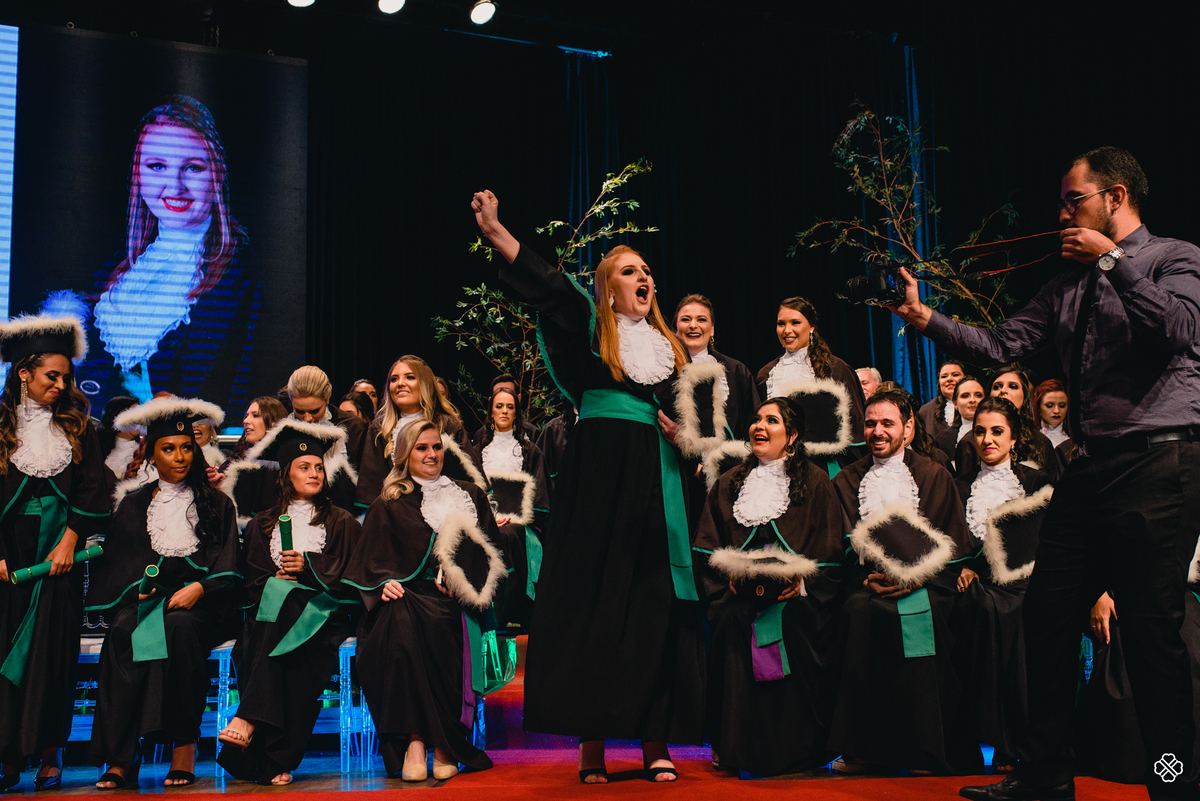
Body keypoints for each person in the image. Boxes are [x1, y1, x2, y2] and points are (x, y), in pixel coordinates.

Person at [889, 146, 1200, 801]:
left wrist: (1112, 262)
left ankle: (1174, 781)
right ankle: (1046, 772)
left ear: (1115, 197)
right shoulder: (1066, 285)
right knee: (1047, 611)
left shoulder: (1173, 256)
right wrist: (926, 319)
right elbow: (1001, 346)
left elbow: (1179, 328)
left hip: (1161, 459)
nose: (1062, 212)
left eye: (1074, 199)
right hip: (1094, 467)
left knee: (1152, 633)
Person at [473, 189, 703, 783]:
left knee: (654, 604)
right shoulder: (589, 325)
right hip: (599, 481)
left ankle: (656, 743)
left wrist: (685, 435)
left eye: (647, 270)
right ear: (608, 287)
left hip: (656, 483)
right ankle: (593, 746)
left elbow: (698, 422)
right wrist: (499, 233)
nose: (643, 277)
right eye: (630, 271)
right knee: (595, 606)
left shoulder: (668, 350)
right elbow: (550, 286)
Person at [85, 397, 240, 789]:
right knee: (122, 631)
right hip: (149, 603)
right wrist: (133, 594)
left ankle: (183, 747)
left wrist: (199, 588)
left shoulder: (218, 503)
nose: (180, 456)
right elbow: (120, 562)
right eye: (169, 449)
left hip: (201, 605)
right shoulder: (135, 505)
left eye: (187, 447)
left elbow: (227, 563)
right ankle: (121, 757)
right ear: (152, 454)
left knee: (181, 631)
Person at [693, 398, 846, 776]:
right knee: (730, 620)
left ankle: (792, 749)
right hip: (738, 595)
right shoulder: (730, 483)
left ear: (791, 436)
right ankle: (734, 747)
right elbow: (709, 547)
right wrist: (726, 579)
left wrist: (805, 583)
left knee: (793, 623)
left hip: (796, 598)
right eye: (757, 419)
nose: (760, 426)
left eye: (772, 421)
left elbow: (828, 549)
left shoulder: (815, 481)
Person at [342, 422, 503, 781]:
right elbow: (369, 565)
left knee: (438, 622)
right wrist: (382, 585)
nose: (432, 455)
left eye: (436, 447)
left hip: (454, 603)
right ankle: (416, 739)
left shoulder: (469, 494)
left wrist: (462, 577)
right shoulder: (388, 504)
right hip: (404, 601)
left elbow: (491, 556)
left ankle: (444, 743)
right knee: (400, 618)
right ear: (404, 455)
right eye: (421, 448)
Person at [82, 94, 259, 413]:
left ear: (217, 173)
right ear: (139, 174)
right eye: (157, 166)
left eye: (192, 167)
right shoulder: (123, 265)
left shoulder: (238, 268)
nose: (174, 186)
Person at [827, 389, 974, 773]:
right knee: (859, 614)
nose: (877, 431)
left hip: (926, 585)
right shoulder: (845, 479)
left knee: (923, 615)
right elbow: (838, 543)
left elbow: (954, 540)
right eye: (871, 423)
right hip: (867, 585)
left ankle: (923, 750)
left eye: (887, 423)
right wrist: (866, 580)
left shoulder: (935, 474)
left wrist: (918, 578)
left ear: (908, 428)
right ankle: (861, 749)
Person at [216, 421, 361, 786]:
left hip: (323, 618)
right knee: (278, 624)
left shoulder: (341, 522)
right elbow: (251, 584)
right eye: (304, 467)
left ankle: (248, 721)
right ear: (285, 474)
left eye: (317, 467)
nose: (314, 474)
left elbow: (353, 577)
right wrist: (278, 581)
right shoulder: (262, 524)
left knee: (286, 625)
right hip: (270, 622)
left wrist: (309, 568)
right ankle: (276, 758)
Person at [0, 315, 109, 792]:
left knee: (54, 656)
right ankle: (6, 755)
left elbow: (92, 493)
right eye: (52, 376)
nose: (62, 386)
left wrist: (69, 542)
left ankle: (50, 752)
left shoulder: (80, 427)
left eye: (66, 378)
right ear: (24, 372)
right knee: (6, 654)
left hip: (58, 557)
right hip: (8, 556)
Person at [951, 397, 1052, 774]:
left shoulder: (1036, 482)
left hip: (1026, 585)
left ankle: (1019, 744)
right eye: (980, 431)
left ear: (1013, 438)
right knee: (976, 607)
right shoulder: (958, 485)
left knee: (1016, 612)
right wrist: (965, 568)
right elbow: (952, 541)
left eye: (997, 432)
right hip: (975, 587)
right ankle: (972, 742)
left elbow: (1044, 541)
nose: (987, 439)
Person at [354, 355, 480, 512]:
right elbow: (371, 487)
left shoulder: (447, 426)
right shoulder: (379, 429)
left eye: (410, 377)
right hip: (396, 516)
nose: (400, 384)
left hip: (445, 512)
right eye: (394, 379)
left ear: (425, 384)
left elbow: (470, 479)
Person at [756, 297, 866, 465]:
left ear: (812, 327)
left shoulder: (836, 368)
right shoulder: (767, 375)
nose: (787, 330)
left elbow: (857, 426)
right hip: (778, 463)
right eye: (781, 324)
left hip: (826, 466)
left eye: (795, 323)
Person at [475, 387, 549, 629]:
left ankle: (505, 613)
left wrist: (518, 518)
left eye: (510, 407)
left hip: (521, 527)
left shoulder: (530, 451)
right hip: (484, 520)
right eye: (499, 406)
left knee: (508, 535)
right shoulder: (478, 451)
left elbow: (540, 498)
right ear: (491, 411)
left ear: (516, 413)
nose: (504, 411)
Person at [673, 294, 760, 442]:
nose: (693, 325)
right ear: (676, 327)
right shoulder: (663, 370)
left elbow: (753, 421)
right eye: (686, 319)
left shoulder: (736, 371)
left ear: (712, 329)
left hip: (728, 461)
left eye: (701, 319)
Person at [984, 366, 1061, 480]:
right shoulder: (972, 441)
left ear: (1025, 398)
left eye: (1013, 386)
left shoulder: (1041, 442)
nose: (1003, 390)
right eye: (997, 387)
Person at [470, 375, 539, 446]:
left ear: (518, 399)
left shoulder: (533, 433)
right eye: (499, 405)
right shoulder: (480, 436)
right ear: (491, 403)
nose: (504, 411)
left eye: (509, 393)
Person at [934, 376, 986, 469]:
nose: (972, 400)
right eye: (965, 396)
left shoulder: (996, 433)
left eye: (978, 395)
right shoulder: (943, 439)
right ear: (955, 403)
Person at [1033, 379, 1076, 469]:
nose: (1056, 411)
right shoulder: (1031, 439)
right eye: (1049, 405)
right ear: (1039, 408)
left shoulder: (1074, 443)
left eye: (1062, 405)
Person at [919, 360, 966, 441]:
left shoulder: (975, 404)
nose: (949, 379)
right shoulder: (926, 411)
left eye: (955, 375)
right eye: (944, 376)